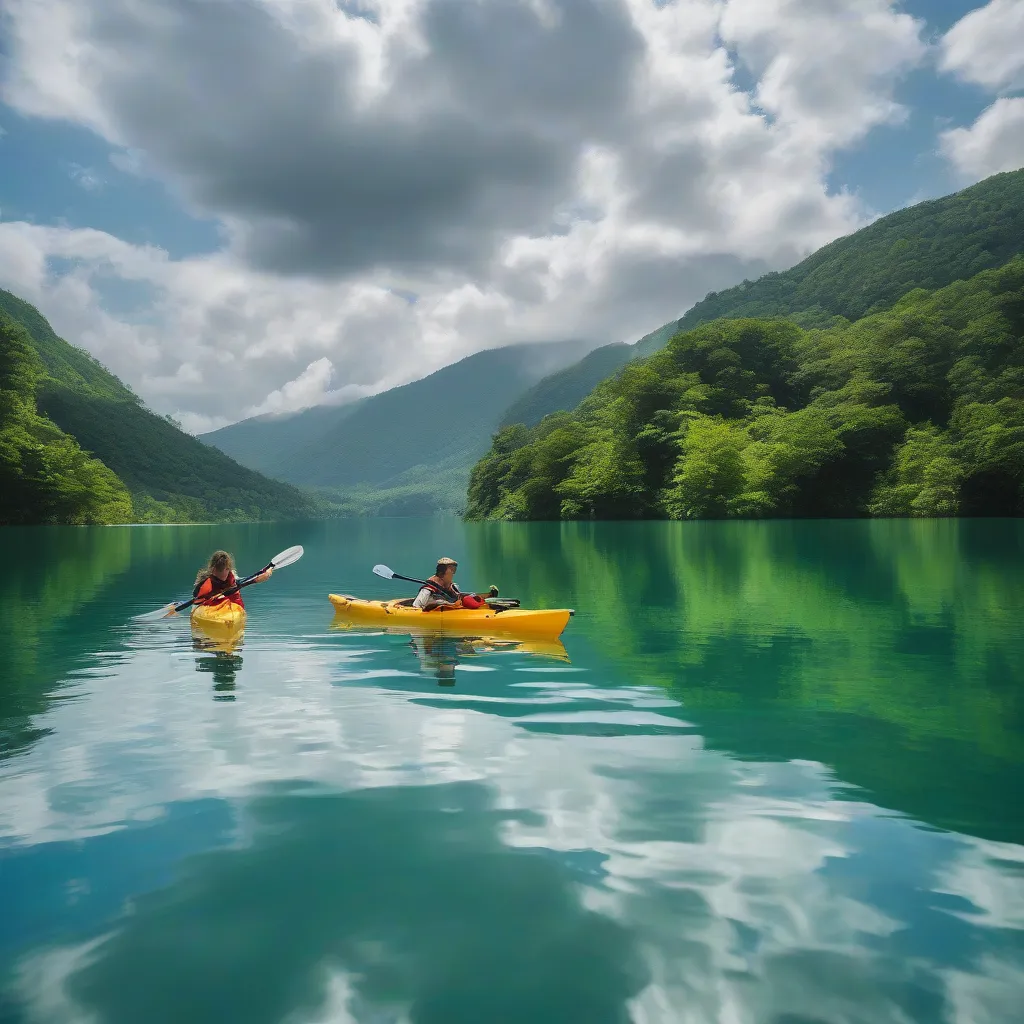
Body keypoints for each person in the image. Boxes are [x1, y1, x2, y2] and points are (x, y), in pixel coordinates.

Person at [192, 550, 272, 608]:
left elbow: (245, 580)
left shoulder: (232, 580)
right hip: (210, 609)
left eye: (227, 569)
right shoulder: (204, 584)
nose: (224, 573)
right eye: (221, 569)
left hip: (229, 610)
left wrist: (261, 576)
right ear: (213, 569)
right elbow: (196, 599)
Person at [412, 557, 496, 611]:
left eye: (454, 570)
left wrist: (487, 595)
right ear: (441, 574)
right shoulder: (427, 590)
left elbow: (461, 597)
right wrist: (443, 604)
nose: (453, 573)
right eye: (451, 570)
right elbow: (416, 607)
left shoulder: (453, 587)